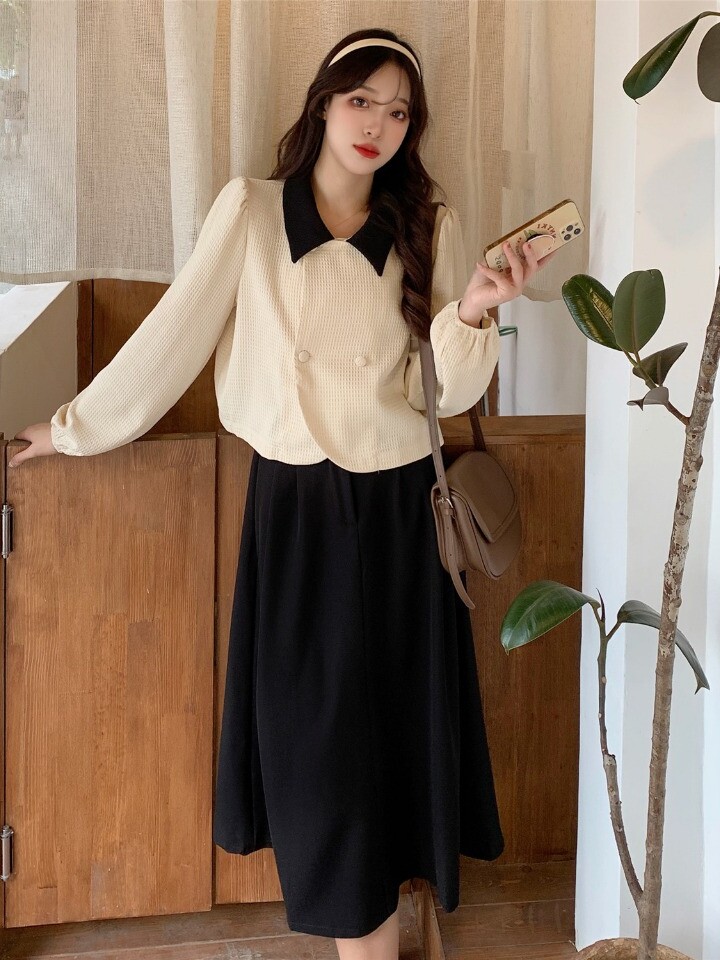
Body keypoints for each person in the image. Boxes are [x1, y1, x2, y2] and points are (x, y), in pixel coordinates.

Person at [11, 28, 558, 960]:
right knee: (317, 749)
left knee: (400, 734)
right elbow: (173, 336)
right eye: (361, 100)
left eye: (398, 111)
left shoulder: (430, 221)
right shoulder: (254, 212)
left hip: (401, 513)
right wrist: (69, 430)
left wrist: (473, 310)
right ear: (323, 104)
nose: (378, 124)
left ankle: (403, 908)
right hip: (296, 514)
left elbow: (443, 392)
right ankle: (370, 936)